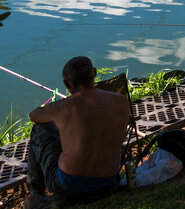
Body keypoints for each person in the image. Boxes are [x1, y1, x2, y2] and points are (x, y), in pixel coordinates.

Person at [26, 56, 130, 205]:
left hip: (70, 185)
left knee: (41, 127)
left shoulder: (63, 107)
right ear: (94, 73)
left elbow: (33, 115)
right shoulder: (121, 101)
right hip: (109, 181)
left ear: (67, 83)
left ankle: (37, 195)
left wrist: (54, 113)